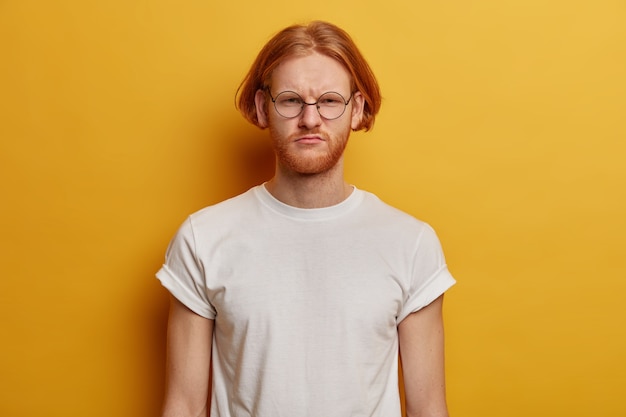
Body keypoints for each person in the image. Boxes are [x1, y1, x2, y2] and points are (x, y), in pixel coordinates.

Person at [157, 20, 456, 417]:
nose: (311, 119)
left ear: (357, 110)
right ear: (264, 108)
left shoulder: (411, 243)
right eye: (291, 99)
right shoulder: (203, 238)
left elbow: (428, 409)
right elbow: (183, 406)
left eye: (330, 100)